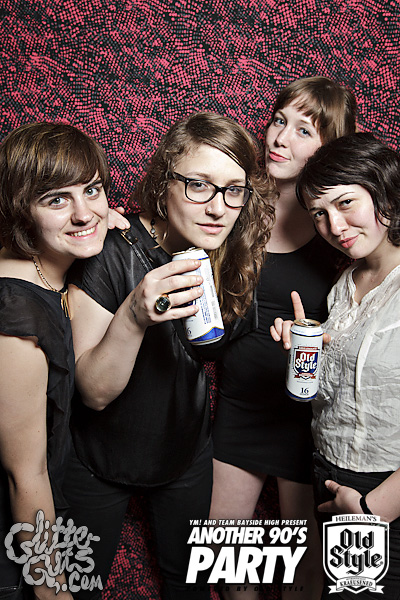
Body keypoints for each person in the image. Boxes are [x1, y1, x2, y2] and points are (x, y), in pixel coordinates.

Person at [63, 111, 276, 600]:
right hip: (98, 455)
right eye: (198, 185)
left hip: (185, 453)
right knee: (76, 586)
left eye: (233, 190)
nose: (218, 207)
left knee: (192, 588)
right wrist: (135, 314)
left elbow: (225, 350)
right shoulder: (110, 250)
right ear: (164, 182)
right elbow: (93, 393)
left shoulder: (232, 254)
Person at [210, 76, 357, 599]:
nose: (279, 137)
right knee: (225, 556)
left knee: (305, 570)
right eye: (279, 121)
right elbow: (176, 224)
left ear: (329, 148)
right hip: (241, 402)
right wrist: (118, 223)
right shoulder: (239, 201)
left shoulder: (340, 226)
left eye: (303, 130)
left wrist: (316, 337)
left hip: (305, 413)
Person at [271, 131, 400, 599]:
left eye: (346, 203)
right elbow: (347, 394)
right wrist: (304, 354)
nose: (334, 225)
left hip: (384, 493)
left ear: (384, 194)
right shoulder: (344, 284)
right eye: (319, 214)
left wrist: (373, 508)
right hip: (330, 474)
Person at [0, 122, 110, 599]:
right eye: (56, 199)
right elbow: (24, 477)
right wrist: (53, 590)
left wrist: (97, 219)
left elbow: (86, 218)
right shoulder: (16, 319)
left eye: (93, 190)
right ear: (21, 209)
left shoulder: (41, 270)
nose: (84, 213)